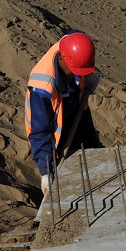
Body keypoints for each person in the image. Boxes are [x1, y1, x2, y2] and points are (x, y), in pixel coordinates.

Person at [24, 31, 100, 193]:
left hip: (78, 108)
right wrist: (46, 172)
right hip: (56, 126)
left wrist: (88, 76)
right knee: (64, 176)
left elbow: (82, 54)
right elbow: (40, 133)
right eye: (76, 71)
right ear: (61, 59)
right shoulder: (42, 88)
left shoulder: (74, 43)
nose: (79, 75)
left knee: (93, 154)